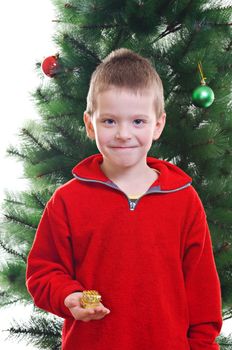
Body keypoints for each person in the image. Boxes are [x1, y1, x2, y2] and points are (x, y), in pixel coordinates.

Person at [26, 48, 222, 350]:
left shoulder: (184, 200)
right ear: (90, 124)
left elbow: (203, 294)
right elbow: (43, 271)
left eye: (138, 122)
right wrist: (68, 296)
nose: (123, 134)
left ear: (158, 125)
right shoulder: (67, 200)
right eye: (109, 121)